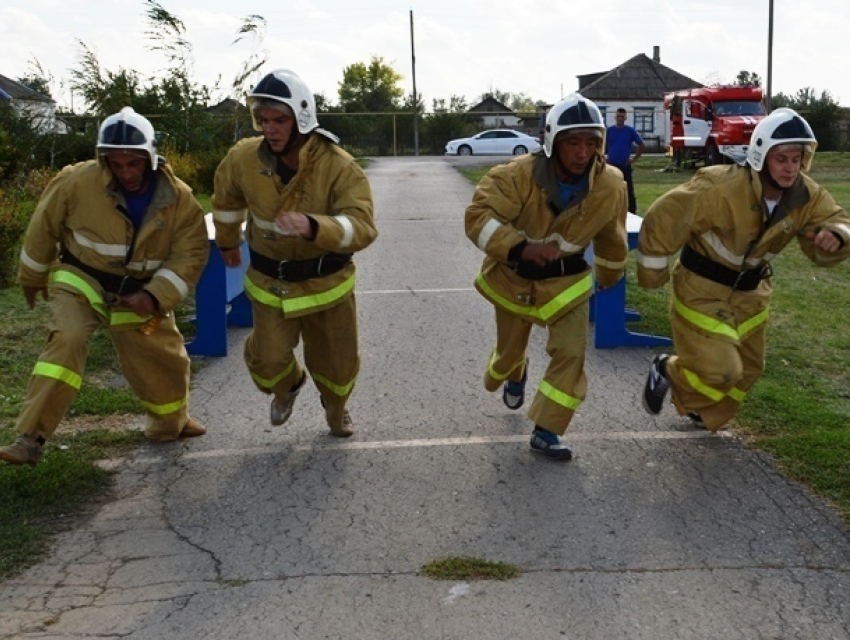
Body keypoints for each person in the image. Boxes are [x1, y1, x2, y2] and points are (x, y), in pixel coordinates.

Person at [0, 107, 210, 466]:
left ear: (151, 158)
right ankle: (30, 437)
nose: (125, 172)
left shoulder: (181, 200)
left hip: (139, 292)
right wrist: (32, 277)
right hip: (81, 279)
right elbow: (42, 229)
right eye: (116, 163)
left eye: (134, 163)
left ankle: (170, 423)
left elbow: (189, 257)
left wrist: (154, 296)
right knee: (68, 338)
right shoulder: (75, 182)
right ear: (104, 159)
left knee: (163, 358)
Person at [638, 108, 850, 431]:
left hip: (751, 296)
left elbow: (837, 219)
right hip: (702, 291)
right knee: (724, 369)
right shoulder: (719, 186)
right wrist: (653, 272)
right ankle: (667, 369)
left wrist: (835, 235)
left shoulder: (806, 195)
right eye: (782, 159)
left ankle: (704, 411)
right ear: (761, 155)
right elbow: (663, 216)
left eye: (796, 159)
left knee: (749, 369)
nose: (790, 168)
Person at [211, 68, 377, 437]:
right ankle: (288, 387)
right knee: (268, 360)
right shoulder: (243, 159)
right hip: (272, 281)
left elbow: (362, 225)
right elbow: (225, 200)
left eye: (279, 120)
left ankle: (336, 409)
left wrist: (316, 227)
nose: (269, 129)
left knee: (337, 365)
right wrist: (226, 241)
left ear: (301, 118)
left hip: (327, 284)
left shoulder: (338, 166)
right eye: (263, 120)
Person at [465, 93, 628, 461]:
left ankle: (548, 429)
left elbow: (612, 236)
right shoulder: (514, 176)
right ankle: (514, 370)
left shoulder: (611, 184)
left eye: (591, 143)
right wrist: (520, 248)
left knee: (571, 352)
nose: (582, 153)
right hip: (514, 281)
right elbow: (478, 219)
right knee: (506, 356)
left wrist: (610, 273)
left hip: (568, 284)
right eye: (573, 142)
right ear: (552, 141)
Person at [605, 107, 645, 213]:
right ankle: (610, 211)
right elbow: (600, 144)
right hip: (611, 166)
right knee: (611, 190)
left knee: (629, 191)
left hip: (624, 166)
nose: (620, 119)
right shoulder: (609, 131)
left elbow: (642, 145)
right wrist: (603, 157)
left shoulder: (630, 131)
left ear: (625, 118)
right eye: (618, 116)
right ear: (615, 117)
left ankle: (632, 212)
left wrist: (633, 159)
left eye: (622, 117)